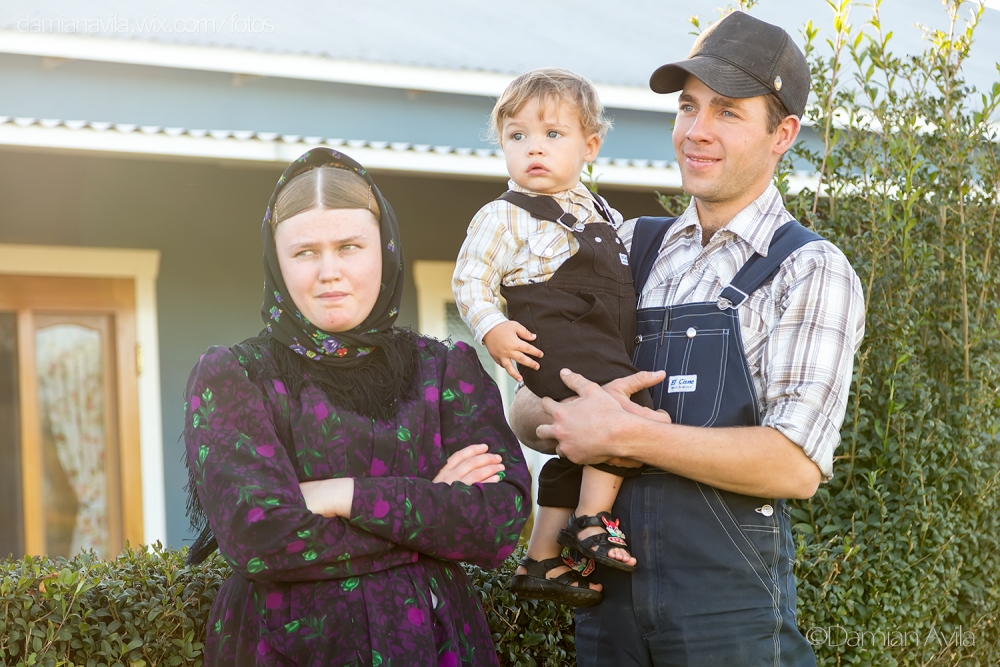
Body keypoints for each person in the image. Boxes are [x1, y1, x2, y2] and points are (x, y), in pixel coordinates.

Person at [509, 11, 866, 666]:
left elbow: (794, 463)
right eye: (687, 107)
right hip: (607, 607)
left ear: (782, 132)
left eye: (727, 112)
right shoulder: (623, 248)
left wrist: (622, 435)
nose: (696, 132)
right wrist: (560, 417)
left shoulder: (808, 269)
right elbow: (524, 396)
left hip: (728, 617)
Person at [183, 147, 531, 666]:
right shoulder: (235, 377)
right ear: (276, 261)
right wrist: (429, 505)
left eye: (349, 246)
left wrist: (337, 494)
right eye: (304, 252)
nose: (329, 272)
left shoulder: (446, 371)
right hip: (284, 651)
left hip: (435, 647)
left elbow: (499, 522)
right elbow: (258, 536)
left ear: (384, 249)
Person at [452, 68, 650, 607]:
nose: (533, 149)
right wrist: (492, 327)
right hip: (555, 336)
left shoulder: (606, 214)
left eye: (552, 135)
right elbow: (471, 277)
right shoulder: (504, 215)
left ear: (590, 146)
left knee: (576, 450)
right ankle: (592, 520)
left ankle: (541, 559)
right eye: (518, 137)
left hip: (599, 340)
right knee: (629, 415)